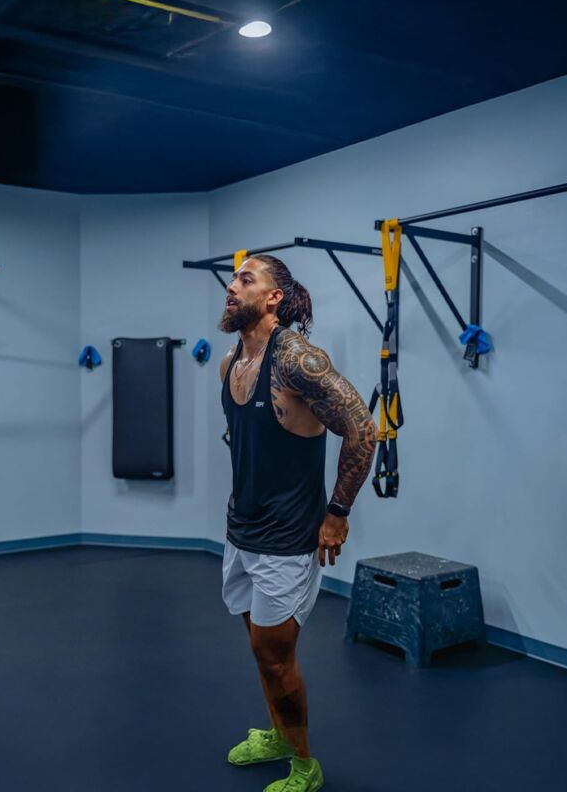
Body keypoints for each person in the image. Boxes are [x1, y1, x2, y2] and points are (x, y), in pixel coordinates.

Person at [218, 254, 377, 792]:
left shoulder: (298, 361)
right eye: (233, 278)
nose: (231, 286)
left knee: (275, 654)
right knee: (259, 648)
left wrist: (336, 514)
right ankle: (277, 734)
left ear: (274, 298)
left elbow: (363, 430)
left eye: (246, 279)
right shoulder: (231, 362)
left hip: (287, 537)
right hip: (241, 530)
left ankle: (305, 765)